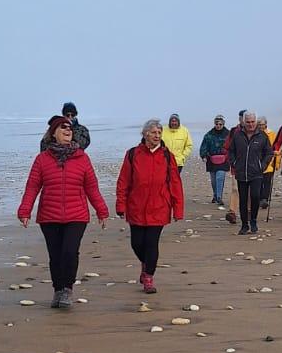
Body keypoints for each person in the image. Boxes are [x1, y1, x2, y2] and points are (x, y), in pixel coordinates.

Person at [18, 116, 109, 309]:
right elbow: (33, 186)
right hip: (49, 216)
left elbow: (92, 187)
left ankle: (67, 289)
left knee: (69, 252)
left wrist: (101, 210)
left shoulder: (82, 158)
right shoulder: (42, 159)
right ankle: (58, 289)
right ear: (53, 134)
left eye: (69, 128)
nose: (68, 130)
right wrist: (25, 210)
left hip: (76, 215)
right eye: (63, 128)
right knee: (56, 255)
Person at [116, 118, 184, 293]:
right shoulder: (133, 154)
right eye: (154, 132)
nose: (157, 135)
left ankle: (148, 278)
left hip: (159, 206)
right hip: (136, 206)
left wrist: (178, 209)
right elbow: (123, 181)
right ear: (145, 134)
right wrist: (120, 205)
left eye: (159, 132)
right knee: (137, 244)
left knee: (152, 243)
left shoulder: (167, 155)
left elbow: (175, 182)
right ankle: (145, 264)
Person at [225, 111, 273, 235]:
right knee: (243, 199)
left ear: (255, 122)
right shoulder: (237, 135)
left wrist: (262, 166)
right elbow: (230, 151)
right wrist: (234, 163)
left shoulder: (262, 136)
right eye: (248, 122)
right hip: (241, 173)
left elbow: (269, 153)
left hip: (256, 173)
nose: (250, 124)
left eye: (252, 122)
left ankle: (253, 221)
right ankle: (244, 225)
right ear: (244, 122)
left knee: (256, 196)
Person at [199, 115, 230, 204]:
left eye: (220, 124)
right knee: (213, 180)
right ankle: (215, 195)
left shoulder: (229, 134)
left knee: (220, 177)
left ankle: (219, 197)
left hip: (224, 160)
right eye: (217, 123)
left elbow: (233, 146)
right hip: (211, 159)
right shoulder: (209, 135)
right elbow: (204, 146)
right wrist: (204, 156)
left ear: (223, 124)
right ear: (214, 123)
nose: (218, 125)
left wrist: (232, 156)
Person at [256, 116, 277, 214]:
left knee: (267, 181)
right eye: (259, 125)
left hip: (270, 161)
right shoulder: (254, 134)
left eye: (262, 124)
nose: (261, 126)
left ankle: (265, 199)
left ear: (266, 124)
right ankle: (260, 198)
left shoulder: (272, 134)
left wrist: (276, 163)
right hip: (257, 162)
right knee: (259, 181)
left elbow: (276, 149)